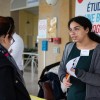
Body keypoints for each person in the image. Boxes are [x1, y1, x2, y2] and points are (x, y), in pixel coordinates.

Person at [58, 16, 100, 100]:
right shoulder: (69, 47)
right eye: (70, 30)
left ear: (87, 30)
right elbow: (62, 67)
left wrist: (80, 73)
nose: (72, 33)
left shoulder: (98, 50)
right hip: (71, 96)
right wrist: (63, 78)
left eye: (76, 29)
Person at [0, 16, 31, 100]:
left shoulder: (17, 40)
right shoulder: (4, 65)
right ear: (5, 37)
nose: (10, 42)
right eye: (10, 38)